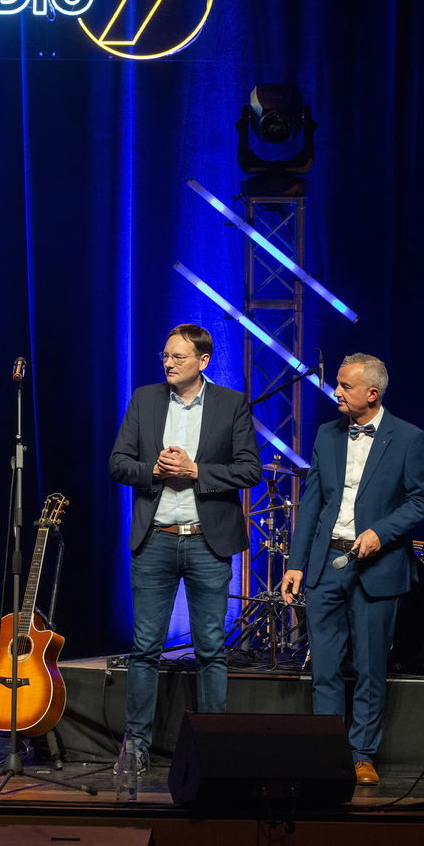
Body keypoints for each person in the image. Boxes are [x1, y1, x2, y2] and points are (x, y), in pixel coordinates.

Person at [108, 324, 261, 776]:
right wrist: (152, 470)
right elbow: (118, 462)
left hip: (206, 541)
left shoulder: (231, 404)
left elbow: (250, 469)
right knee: (145, 647)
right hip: (155, 538)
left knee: (212, 646)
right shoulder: (145, 399)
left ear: (203, 361)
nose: (168, 363)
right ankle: (136, 742)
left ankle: (213, 739)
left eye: (178, 357)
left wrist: (197, 471)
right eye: (165, 355)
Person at [281, 354, 424, 784]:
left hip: (376, 565)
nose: (336, 392)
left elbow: (420, 500)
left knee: (369, 667)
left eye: (345, 386)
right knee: (325, 666)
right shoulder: (327, 435)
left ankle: (361, 754)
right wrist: (296, 565)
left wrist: (381, 533)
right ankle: (326, 752)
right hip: (328, 563)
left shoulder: (408, 437)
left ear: (372, 393)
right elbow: (312, 503)